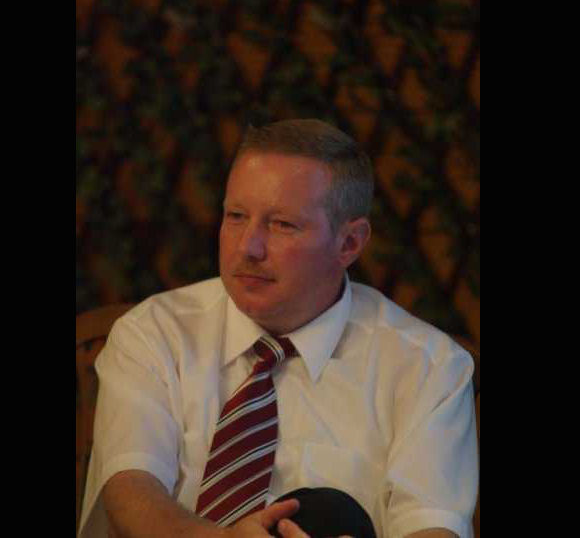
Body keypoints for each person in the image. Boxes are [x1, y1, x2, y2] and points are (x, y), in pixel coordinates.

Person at [78, 119, 478, 538]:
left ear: (349, 243)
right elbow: (131, 491)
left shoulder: (428, 366)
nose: (247, 247)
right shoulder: (154, 332)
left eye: (282, 224)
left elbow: (433, 528)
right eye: (236, 216)